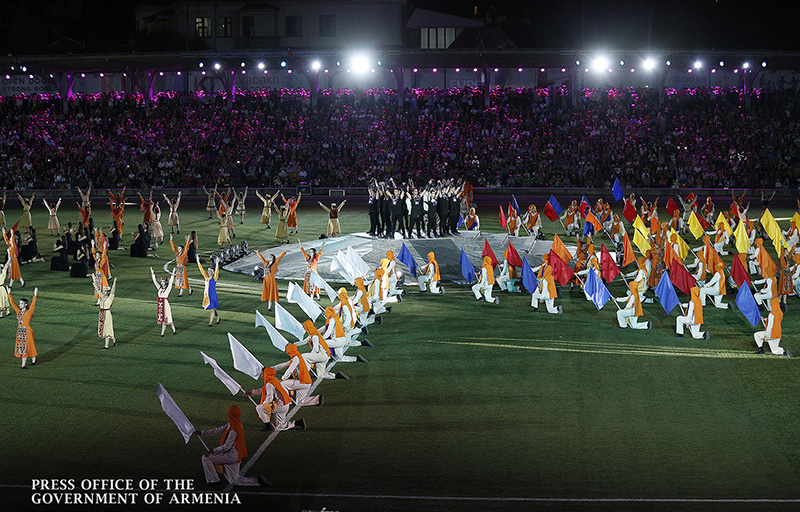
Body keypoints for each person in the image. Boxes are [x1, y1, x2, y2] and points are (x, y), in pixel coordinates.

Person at [194, 405, 268, 486]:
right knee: (234, 480)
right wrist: (202, 433)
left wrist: (213, 451)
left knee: (206, 458)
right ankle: (257, 481)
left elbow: (227, 446)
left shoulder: (233, 428)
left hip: (230, 455)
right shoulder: (235, 424)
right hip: (236, 455)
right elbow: (217, 430)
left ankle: (214, 481)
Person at [244, 368, 301, 432]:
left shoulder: (269, 384)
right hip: (285, 404)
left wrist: (264, 406)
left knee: (259, 408)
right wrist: (252, 393)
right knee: (282, 426)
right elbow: (263, 390)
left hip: (280, 406)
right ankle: (298, 423)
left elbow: (269, 398)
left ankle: (268, 426)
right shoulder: (273, 380)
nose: (261, 375)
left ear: (266, 374)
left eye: (262, 374)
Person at [8, 287, 37, 369]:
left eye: (21, 303)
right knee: (24, 347)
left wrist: (35, 294)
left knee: (26, 346)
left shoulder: (28, 312)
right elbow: (12, 304)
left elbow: (33, 305)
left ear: (25, 304)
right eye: (19, 303)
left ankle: (23, 365)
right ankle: (33, 358)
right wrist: (9, 293)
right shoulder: (18, 311)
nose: (19, 305)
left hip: (27, 331)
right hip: (20, 331)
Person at [151, 267, 177, 336]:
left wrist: (173, 273)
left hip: (165, 304)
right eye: (161, 281)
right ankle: (162, 333)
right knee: (163, 319)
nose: (161, 282)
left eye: (162, 281)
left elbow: (171, 282)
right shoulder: (159, 288)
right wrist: (152, 273)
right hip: (160, 303)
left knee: (168, 318)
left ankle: (173, 329)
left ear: (165, 282)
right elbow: (155, 282)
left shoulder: (167, 289)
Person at [198, 258, 221, 326]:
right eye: (208, 271)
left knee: (212, 309)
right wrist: (197, 260)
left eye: (210, 271)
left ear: (213, 272)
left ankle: (210, 322)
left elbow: (217, 271)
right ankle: (218, 318)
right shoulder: (206, 277)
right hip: (207, 295)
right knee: (213, 308)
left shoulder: (214, 278)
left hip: (212, 295)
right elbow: (201, 270)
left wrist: (217, 263)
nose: (209, 272)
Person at [97, 277, 117, 349]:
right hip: (102, 313)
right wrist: (95, 284)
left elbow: (113, 291)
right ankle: (114, 339)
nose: (105, 292)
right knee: (104, 328)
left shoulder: (110, 298)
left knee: (107, 328)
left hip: (107, 314)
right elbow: (98, 291)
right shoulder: (103, 297)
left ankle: (106, 346)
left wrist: (114, 283)